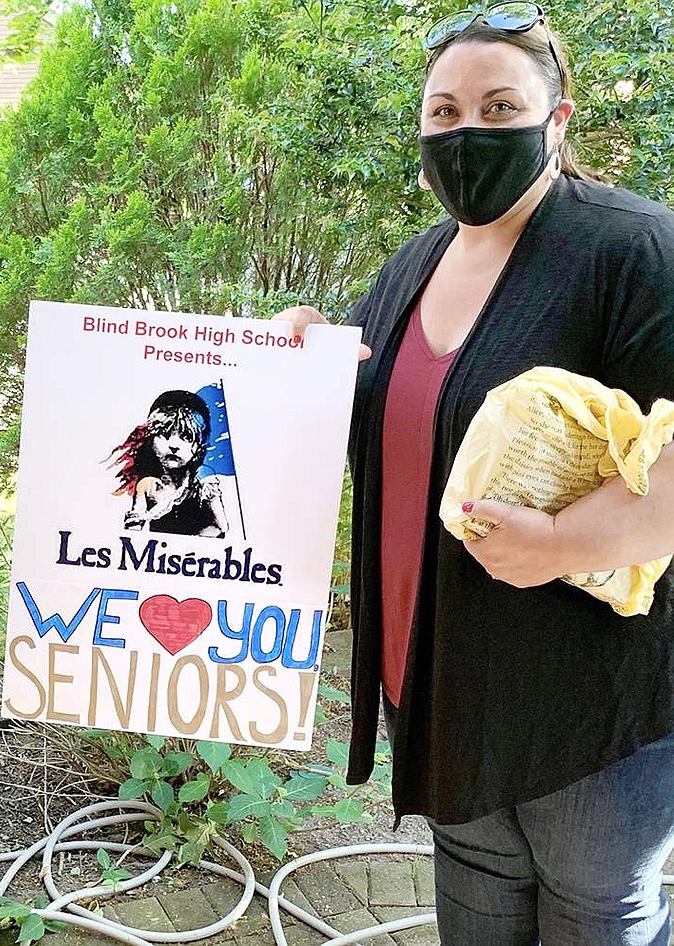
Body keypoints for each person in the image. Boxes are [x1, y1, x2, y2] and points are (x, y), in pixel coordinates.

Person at [279, 5, 674, 944]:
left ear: (560, 117)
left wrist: (566, 544)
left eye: (501, 107)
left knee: (593, 912)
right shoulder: (414, 265)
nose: (469, 133)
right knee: (479, 906)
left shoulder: (635, 250)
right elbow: (382, 425)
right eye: (445, 111)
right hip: (444, 683)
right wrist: (299, 362)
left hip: (590, 709)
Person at [107, 389, 229, 537]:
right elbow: (133, 528)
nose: (174, 444)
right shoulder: (147, 485)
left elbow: (221, 526)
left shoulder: (203, 479)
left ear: (198, 446)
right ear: (151, 440)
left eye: (186, 437)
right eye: (164, 434)